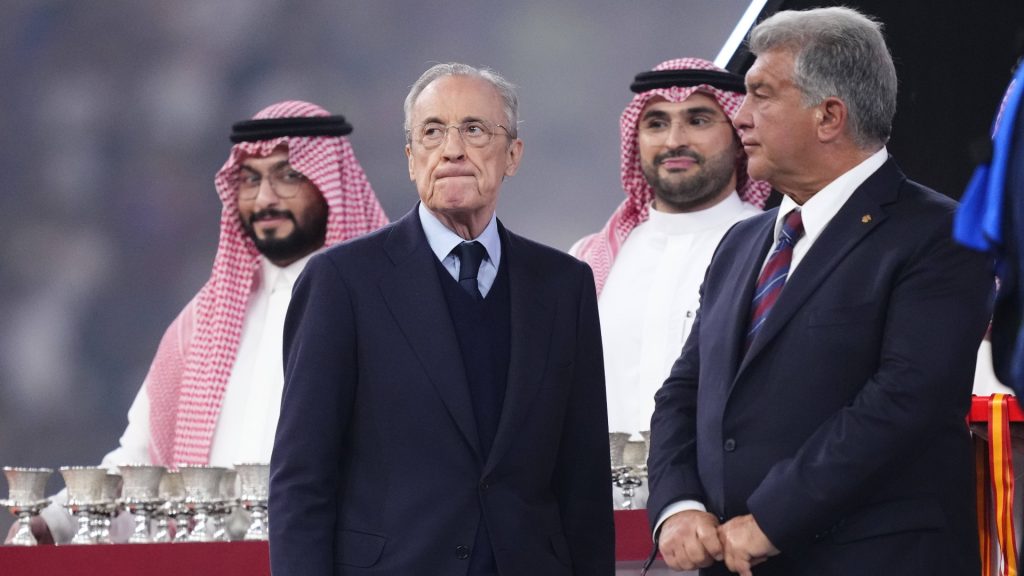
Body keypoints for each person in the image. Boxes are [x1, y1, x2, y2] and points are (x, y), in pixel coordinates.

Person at [645, 7, 993, 576]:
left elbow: (904, 402)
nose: (740, 116)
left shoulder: (942, 235)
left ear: (829, 115)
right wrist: (678, 504)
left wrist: (771, 520)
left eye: (761, 94)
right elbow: (685, 391)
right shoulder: (741, 243)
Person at [269, 63, 615, 575]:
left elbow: (584, 480)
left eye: (474, 129)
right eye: (432, 132)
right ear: (412, 159)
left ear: (513, 155)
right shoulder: (342, 282)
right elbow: (302, 479)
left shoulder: (564, 286)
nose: (452, 149)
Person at [27, 100, 388, 544]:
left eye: (287, 176)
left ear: (332, 184)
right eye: (251, 180)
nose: (265, 198)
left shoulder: (386, 310)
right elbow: (142, 468)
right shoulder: (201, 325)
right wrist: (57, 522)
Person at [571, 58, 770, 445]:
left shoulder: (770, 247)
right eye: (656, 123)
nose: (674, 140)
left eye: (698, 120)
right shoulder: (590, 259)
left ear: (738, 137)